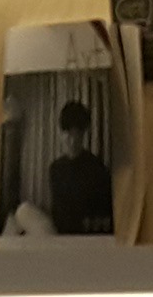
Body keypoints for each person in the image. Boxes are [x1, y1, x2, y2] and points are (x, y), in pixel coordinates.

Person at [43, 96, 115, 236]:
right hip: (59, 234)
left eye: (78, 134)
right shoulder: (55, 168)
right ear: (61, 134)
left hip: (84, 236)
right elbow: (57, 212)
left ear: (83, 135)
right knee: (24, 210)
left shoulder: (97, 168)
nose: (73, 140)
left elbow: (103, 214)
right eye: (69, 134)